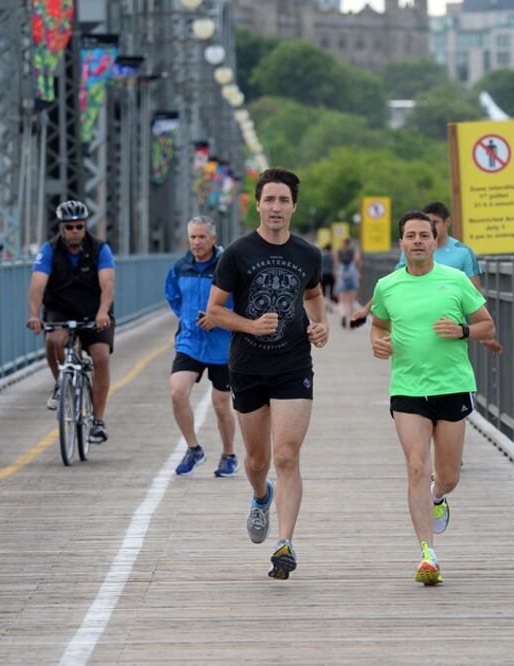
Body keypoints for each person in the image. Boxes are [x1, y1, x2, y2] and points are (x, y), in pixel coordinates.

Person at [207, 168, 328, 580]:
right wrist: (250, 325)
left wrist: (320, 324)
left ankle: (285, 543)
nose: (276, 208)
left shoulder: (309, 254)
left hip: (294, 364)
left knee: (286, 455)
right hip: (248, 366)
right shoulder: (237, 254)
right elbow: (215, 311)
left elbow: (312, 293)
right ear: (257, 204)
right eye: (269, 200)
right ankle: (261, 497)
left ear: (294, 206)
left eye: (284, 201)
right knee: (258, 461)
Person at [368, 211, 502, 585]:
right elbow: (379, 323)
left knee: (447, 474)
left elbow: (487, 325)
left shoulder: (456, 280)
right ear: (401, 243)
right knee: (415, 466)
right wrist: (377, 344)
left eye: (423, 235)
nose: (417, 241)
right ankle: (427, 554)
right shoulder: (387, 286)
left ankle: (439, 495)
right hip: (408, 388)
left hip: (452, 385)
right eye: (410, 236)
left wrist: (461, 330)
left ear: (435, 239)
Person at [27, 200, 115, 444]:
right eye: (69, 227)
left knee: (101, 357)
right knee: (53, 341)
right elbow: (37, 285)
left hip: (94, 311)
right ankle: (60, 383)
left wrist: (103, 311)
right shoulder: (49, 250)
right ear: (61, 228)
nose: (75, 231)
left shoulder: (100, 249)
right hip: (61, 310)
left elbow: (107, 284)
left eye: (79, 226)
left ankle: (98, 420)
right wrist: (34, 314)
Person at [164, 216, 238, 478]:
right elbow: (172, 296)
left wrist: (218, 318)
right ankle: (194, 448)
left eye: (201, 237)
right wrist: (187, 319)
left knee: (220, 404)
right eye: (193, 237)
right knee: (177, 391)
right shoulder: (180, 267)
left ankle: (229, 455)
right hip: (190, 342)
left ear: (213, 239)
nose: (196, 242)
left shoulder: (227, 266)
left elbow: (240, 301)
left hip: (222, 345)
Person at [350, 202, 483, 326]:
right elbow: (391, 284)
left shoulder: (463, 252)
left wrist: (477, 330)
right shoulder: (412, 252)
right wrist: (367, 309)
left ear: (447, 222)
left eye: (435, 222)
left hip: (450, 328)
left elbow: (475, 292)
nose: (430, 226)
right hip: (416, 321)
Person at [334, 237, 362, 327]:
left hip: (342, 277)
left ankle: (342, 315)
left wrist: (336, 277)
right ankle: (350, 319)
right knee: (351, 301)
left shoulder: (339, 252)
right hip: (352, 276)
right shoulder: (354, 252)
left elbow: (336, 265)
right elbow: (358, 263)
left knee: (341, 300)